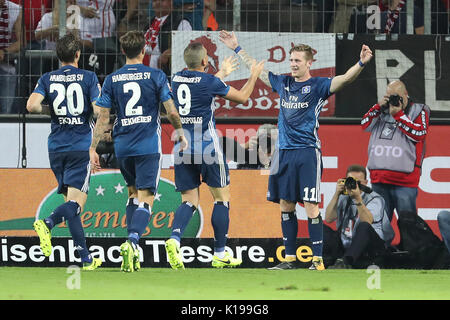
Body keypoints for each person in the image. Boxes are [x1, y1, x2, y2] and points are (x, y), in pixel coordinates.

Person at [219, 30, 373, 271]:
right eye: (291, 60)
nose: (293, 64)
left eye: (297, 61)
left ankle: (317, 260)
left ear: (309, 63)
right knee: (286, 205)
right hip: (284, 153)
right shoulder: (284, 82)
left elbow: (345, 79)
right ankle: (289, 259)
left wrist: (361, 62)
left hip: (307, 152)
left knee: (311, 206)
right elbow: (258, 71)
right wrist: (237, 48)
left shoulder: (319, 85)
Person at [89, 30, 188, 273]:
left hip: (123, 145)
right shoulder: (156, 75)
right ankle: (132, 241)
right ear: (144, 51)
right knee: (147, 197)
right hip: (147, 146)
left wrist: (93, 147)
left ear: (123, 51)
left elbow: (102, 117)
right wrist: (180, 133)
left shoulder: (112, 79)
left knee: (132, 193)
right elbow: (172, 112)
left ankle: (132, 252)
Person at [164, 42, 264, 269]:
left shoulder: (177, 79)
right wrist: (254, 75)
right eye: (207, 56)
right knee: (221, 199)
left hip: (182, 149)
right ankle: (219, 253)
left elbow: (200, 87)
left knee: (189, 201)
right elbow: (243, 98)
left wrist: (223, 73)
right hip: (208, 149)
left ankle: (174, 238)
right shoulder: (210, 81)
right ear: (204, 62)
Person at [26, 33, 102, 271]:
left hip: (56, 147)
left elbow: (32, 106)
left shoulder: (47, 78)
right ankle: (48, 223)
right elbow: (98, 111)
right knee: (77, 204)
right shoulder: (89, 77)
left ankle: (86, 259)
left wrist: (54, 111)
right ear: (78, 54)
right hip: (80, 145)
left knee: (70, 204)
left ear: (59, 56)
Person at [361, 80, 430, 221]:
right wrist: (377, 107)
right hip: (379, 179)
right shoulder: (381, 110)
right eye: (389, 96)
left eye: (396, 96)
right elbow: (364, 125)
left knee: (408, 224)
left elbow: (420, 134)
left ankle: (407, 244)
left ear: (406, 95)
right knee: (379, 222)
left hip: (405, 181)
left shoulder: (419, 110)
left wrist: (398, 115)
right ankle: (382, 244)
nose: (393, 100)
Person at [324, 164, 395, 269]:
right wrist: (336, 194)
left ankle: (346, 262)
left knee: (364, 226)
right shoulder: (344, 197)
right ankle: (326, 260)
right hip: (347, 244)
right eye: (351, 181)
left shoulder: (375, 198)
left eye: (358, 182)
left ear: (366, 183)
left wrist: (357, 199)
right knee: (321, 227)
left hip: (372, 249)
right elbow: (328, 218)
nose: (355, 185)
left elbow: (367, 222)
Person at [144, 0, 192, 76]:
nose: (158, 3)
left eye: (162, 0)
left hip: (165, 75)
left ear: (171, 2)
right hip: (145, 75)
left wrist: (169, 53)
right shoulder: (149, 23)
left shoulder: (181, 22)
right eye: (154, 1)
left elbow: (188, 47)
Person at [0, 0, 21, 114]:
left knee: (6, 111)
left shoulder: (15, 9)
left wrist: (4, 51)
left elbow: (21, 41)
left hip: (6, 64)